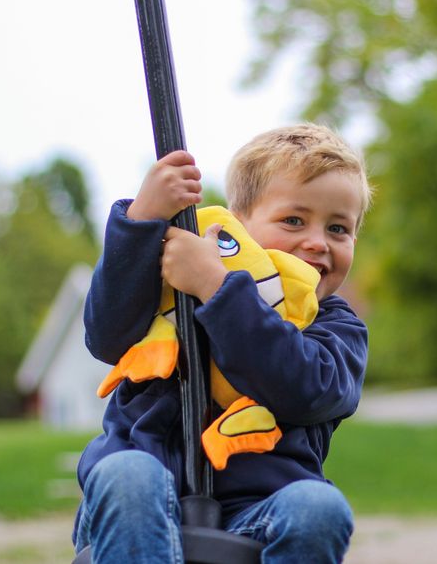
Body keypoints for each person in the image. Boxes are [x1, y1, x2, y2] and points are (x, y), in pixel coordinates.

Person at [73, 123, 372, 563]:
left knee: (318, 507)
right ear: (240, 224)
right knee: (126, 473)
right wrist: (142, 221)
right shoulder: (177, 282)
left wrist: (218, 288)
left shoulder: (334, 326)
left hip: (256, 515)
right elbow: (106, 336)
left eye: (339, 229)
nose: (316, 242)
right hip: (140, 508)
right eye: (294, 220)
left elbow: (306, 389)